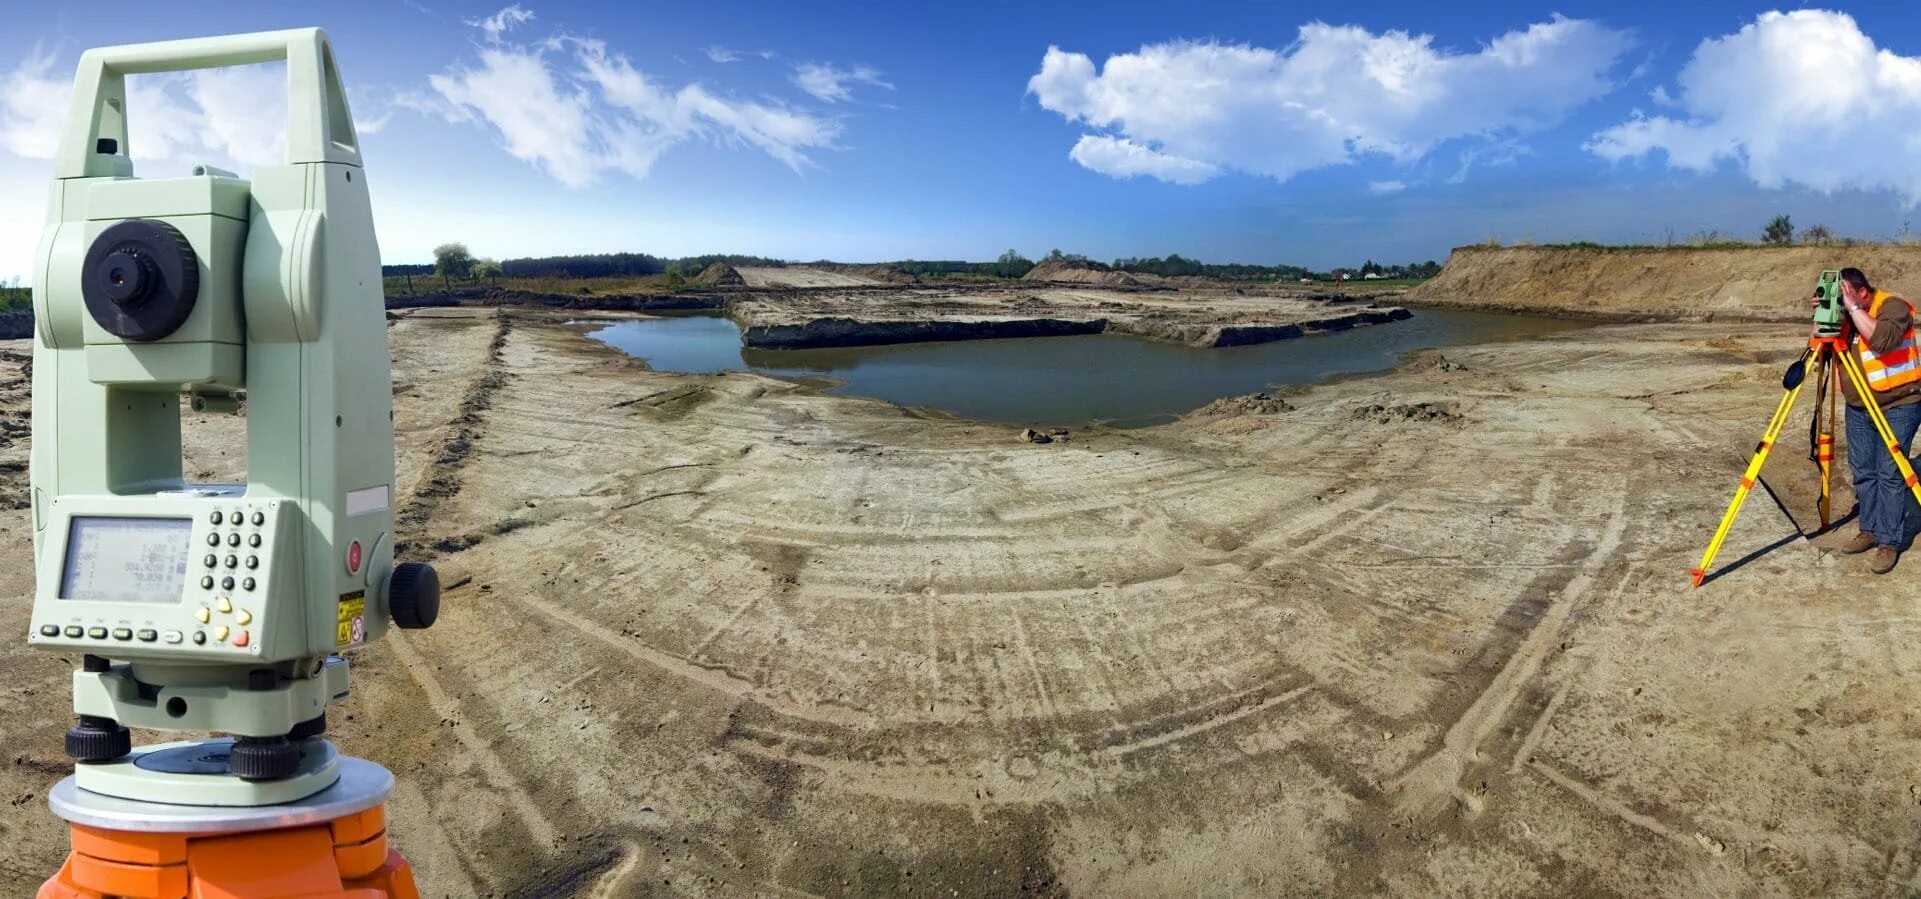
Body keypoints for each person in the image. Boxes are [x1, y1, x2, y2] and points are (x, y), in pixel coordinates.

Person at [1821, 268, 1921, 573]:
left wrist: (1851, 308)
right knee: (1863, 470)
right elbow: (1820, 345)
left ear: (1862, 292)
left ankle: (1889, 542)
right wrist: (1824, 313)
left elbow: (1881, 340)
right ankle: (1870, 528)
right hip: (1859, 408)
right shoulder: (1847, 314)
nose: (1842, 299)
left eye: (1846, 293)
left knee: (1889, 472)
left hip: (1898, 404)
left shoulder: (1893, 307)